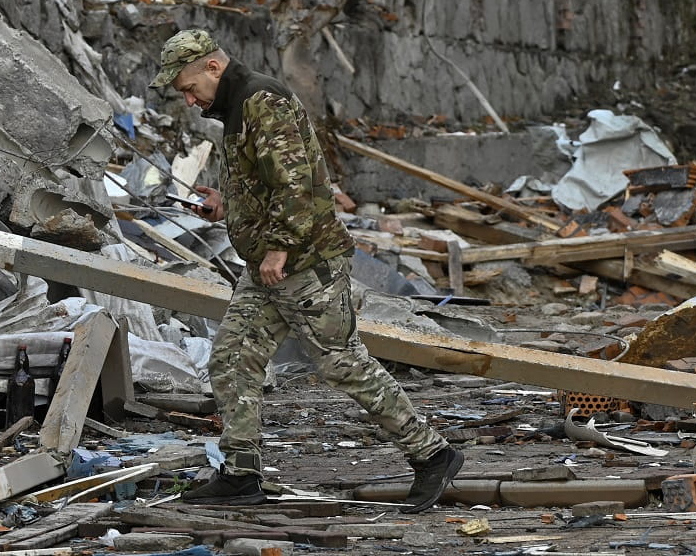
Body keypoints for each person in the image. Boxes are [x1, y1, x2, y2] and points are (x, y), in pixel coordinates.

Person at [150, 29, 463, 510]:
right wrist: (227, 204)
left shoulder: (261, 100)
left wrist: (278, 248)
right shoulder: (237, 107)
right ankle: (240, 474)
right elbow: (268, 185)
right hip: (270, 266)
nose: (189, 100)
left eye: (189, 87)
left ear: (213, 67)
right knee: (232, 357)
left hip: (304, 263)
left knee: (341, 361)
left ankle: (432, 454)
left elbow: (298, 185)